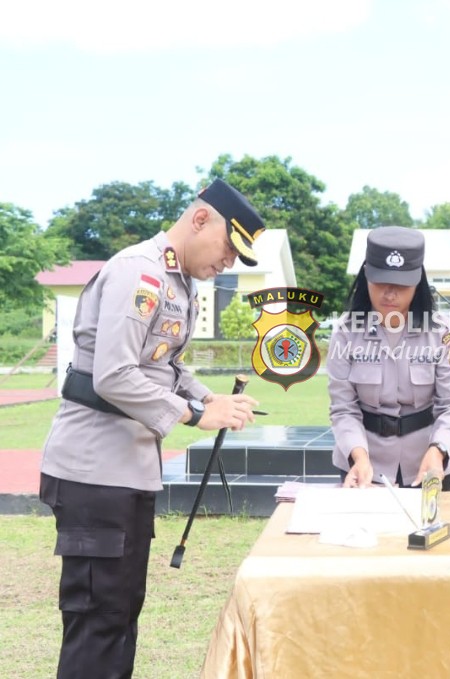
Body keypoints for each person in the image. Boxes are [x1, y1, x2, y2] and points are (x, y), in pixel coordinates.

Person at [39, 178, 265, 678]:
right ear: (200, 219)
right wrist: (195, 414)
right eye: (229, 247)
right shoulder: (138, 273)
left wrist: (210, 396)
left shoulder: (176, 283)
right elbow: (115, 374)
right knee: (98, 623)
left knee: (119, 615)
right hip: (94, 472)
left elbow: (162, 364)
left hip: (125, 472)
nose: (228, 262)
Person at [327, 226, 450, 490]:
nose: (389, 293)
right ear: (366, 276)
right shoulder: (345, 333)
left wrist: (438, 450)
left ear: (417, 282)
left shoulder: (441, 332)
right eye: (380, 282)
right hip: (363, 465)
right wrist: (359, 456)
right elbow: (343, 408)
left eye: (401, 285)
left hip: (427, 463)